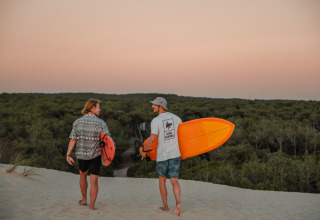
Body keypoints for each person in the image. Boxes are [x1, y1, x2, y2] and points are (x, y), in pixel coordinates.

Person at [140, 97, 182, 216]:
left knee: (162, 181)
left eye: (154, 105)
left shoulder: (156, 120)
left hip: (162, 155)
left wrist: (144, 150)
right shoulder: (177, 118)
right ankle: (178, 204)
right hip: (175, 154)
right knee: (174, 181)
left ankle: (165, 207)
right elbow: (182, 137)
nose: (153, 106)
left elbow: (152, 139)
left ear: (160, 106)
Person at [66, 99, 111, 210]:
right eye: (98, 107)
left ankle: (84, 200)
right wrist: (107, 158)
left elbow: (72, 140)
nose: (100, 109)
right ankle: (92, 206)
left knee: (82, 176)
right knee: (94, 181)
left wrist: (68, 154)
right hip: (96, 155)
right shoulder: (101, 123)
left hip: (81, 155)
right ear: (92, 108)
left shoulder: (77, 122)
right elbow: (108, 141)